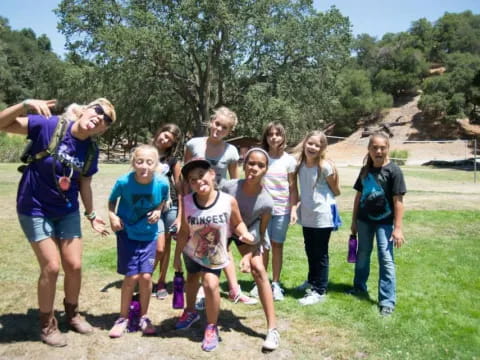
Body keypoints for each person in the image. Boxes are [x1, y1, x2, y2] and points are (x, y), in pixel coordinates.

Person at [0, 98, 116, 347]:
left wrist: (92, 215)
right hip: (34, 207)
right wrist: (25, 104)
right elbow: (2, 124)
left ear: (102, 129)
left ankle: (72, 313)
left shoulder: (91, 151)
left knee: (73, 265)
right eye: (98, 111)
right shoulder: (49, 125)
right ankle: (46, 323)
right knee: (52, 267)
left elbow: (84, 183)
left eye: (106, 120)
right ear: (85, 110)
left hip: (67, 209)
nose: (100, 118)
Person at [173, 158, 255, 352]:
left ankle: (211, 326)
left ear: (212, 175)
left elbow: (237, 223)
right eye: (192, 180)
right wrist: (177, 256)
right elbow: (184, 231)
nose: (198, 182)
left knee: (210, 284)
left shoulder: (228, 200)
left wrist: (244, 233)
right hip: (191, 251)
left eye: (201, 176)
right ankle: (190, 311)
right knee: (192, 280)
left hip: (215, 254)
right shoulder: (186, 202)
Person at [184, 107, 257, 306]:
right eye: (217, 124)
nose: (218, 129)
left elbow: (234, 181)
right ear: (211, 122)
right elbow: (185, 175)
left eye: (224, 128)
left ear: (229, 131)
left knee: (222, 246)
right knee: (199, 245)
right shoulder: (193, 144)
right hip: (196, 205)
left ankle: (234, 290)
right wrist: (183, 205)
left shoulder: (231, 151)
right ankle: (201, 290)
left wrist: (234, 210)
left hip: (220, 205)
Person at [221, 148, 280, 351]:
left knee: (259, 269)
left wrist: (247, 255)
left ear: (266, 169)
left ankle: (272, 329)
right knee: (207, 264)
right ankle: (198, 305)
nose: (254, 168)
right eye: (250, 163)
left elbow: (260, 235)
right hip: (226, 228)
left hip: (249, 234)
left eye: (260, 165)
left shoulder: (266, 202)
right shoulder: (228, 187)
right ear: (243, 165)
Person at [108, 145, 169, 337]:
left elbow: (164, 199)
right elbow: (111, 202)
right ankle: (122, 318)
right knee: (131, 277)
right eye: (139, 161)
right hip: (127, 234)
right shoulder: (123, 182)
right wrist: (112, 216)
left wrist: (159, 210)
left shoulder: (162, 183)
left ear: (156, 164)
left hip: (149, 235)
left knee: (146, 277)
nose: (144, 166)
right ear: (133, 162)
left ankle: (144, 316)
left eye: (149, 162)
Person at [349, 131, 406, 316]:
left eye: (382, 147)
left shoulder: (394, 171)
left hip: (386, 224)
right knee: (363, 254)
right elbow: (358, 197)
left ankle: (387, 300)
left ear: (388, 148)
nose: (378, 151)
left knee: (386, 258)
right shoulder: (365, 170)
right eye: (375, 147)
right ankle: (359, 287)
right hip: (364, 221)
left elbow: (398, 201)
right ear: (369, 149)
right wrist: (354, 222)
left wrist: (398, 228)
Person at [292, 131, 341, 305]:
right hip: (307, 214)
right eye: (310, 143)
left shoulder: (325, 166)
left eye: (317, 145)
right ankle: (312, 281)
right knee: (309, 249)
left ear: (322, 148)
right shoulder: (300, 164)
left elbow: (336, 190)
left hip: (323, 214)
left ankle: (319, 290)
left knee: (320, 253)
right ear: (304, 143)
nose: (312, 147)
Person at [253, 122, 298, 301]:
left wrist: (293, 209)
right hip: (262, 210)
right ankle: (261, 283)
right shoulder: (261, 157)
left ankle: (276, 284)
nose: (274, 137)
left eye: (277, 134)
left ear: (283, 137)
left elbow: (293, 188)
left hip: (282, 210)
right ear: (266, 137)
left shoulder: (289, 161)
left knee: (277, 245)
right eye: (270, 134)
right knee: (262, 247)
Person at [151, 123, 182, 299]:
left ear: (172, 144)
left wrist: (179, 215)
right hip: (149, 205)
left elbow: (179, 187)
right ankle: (144, 277)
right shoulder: (145, 153)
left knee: (167, 245)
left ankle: (161, 281)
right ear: (159, 132)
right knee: (157, 246)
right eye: (164, 135)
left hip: (170, 206)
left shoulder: (172, 161)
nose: (164, 139)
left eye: (169, 140)